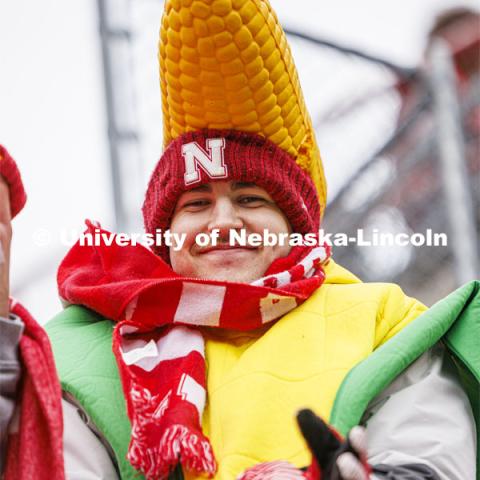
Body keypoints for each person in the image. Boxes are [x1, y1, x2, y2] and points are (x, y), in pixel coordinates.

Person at [1, 1, 478, 480]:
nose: (223, 220)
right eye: (196, 204)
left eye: (250, 199)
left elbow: (428, 454)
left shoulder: (387, 323)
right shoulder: (79, 349)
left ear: (296, 229)